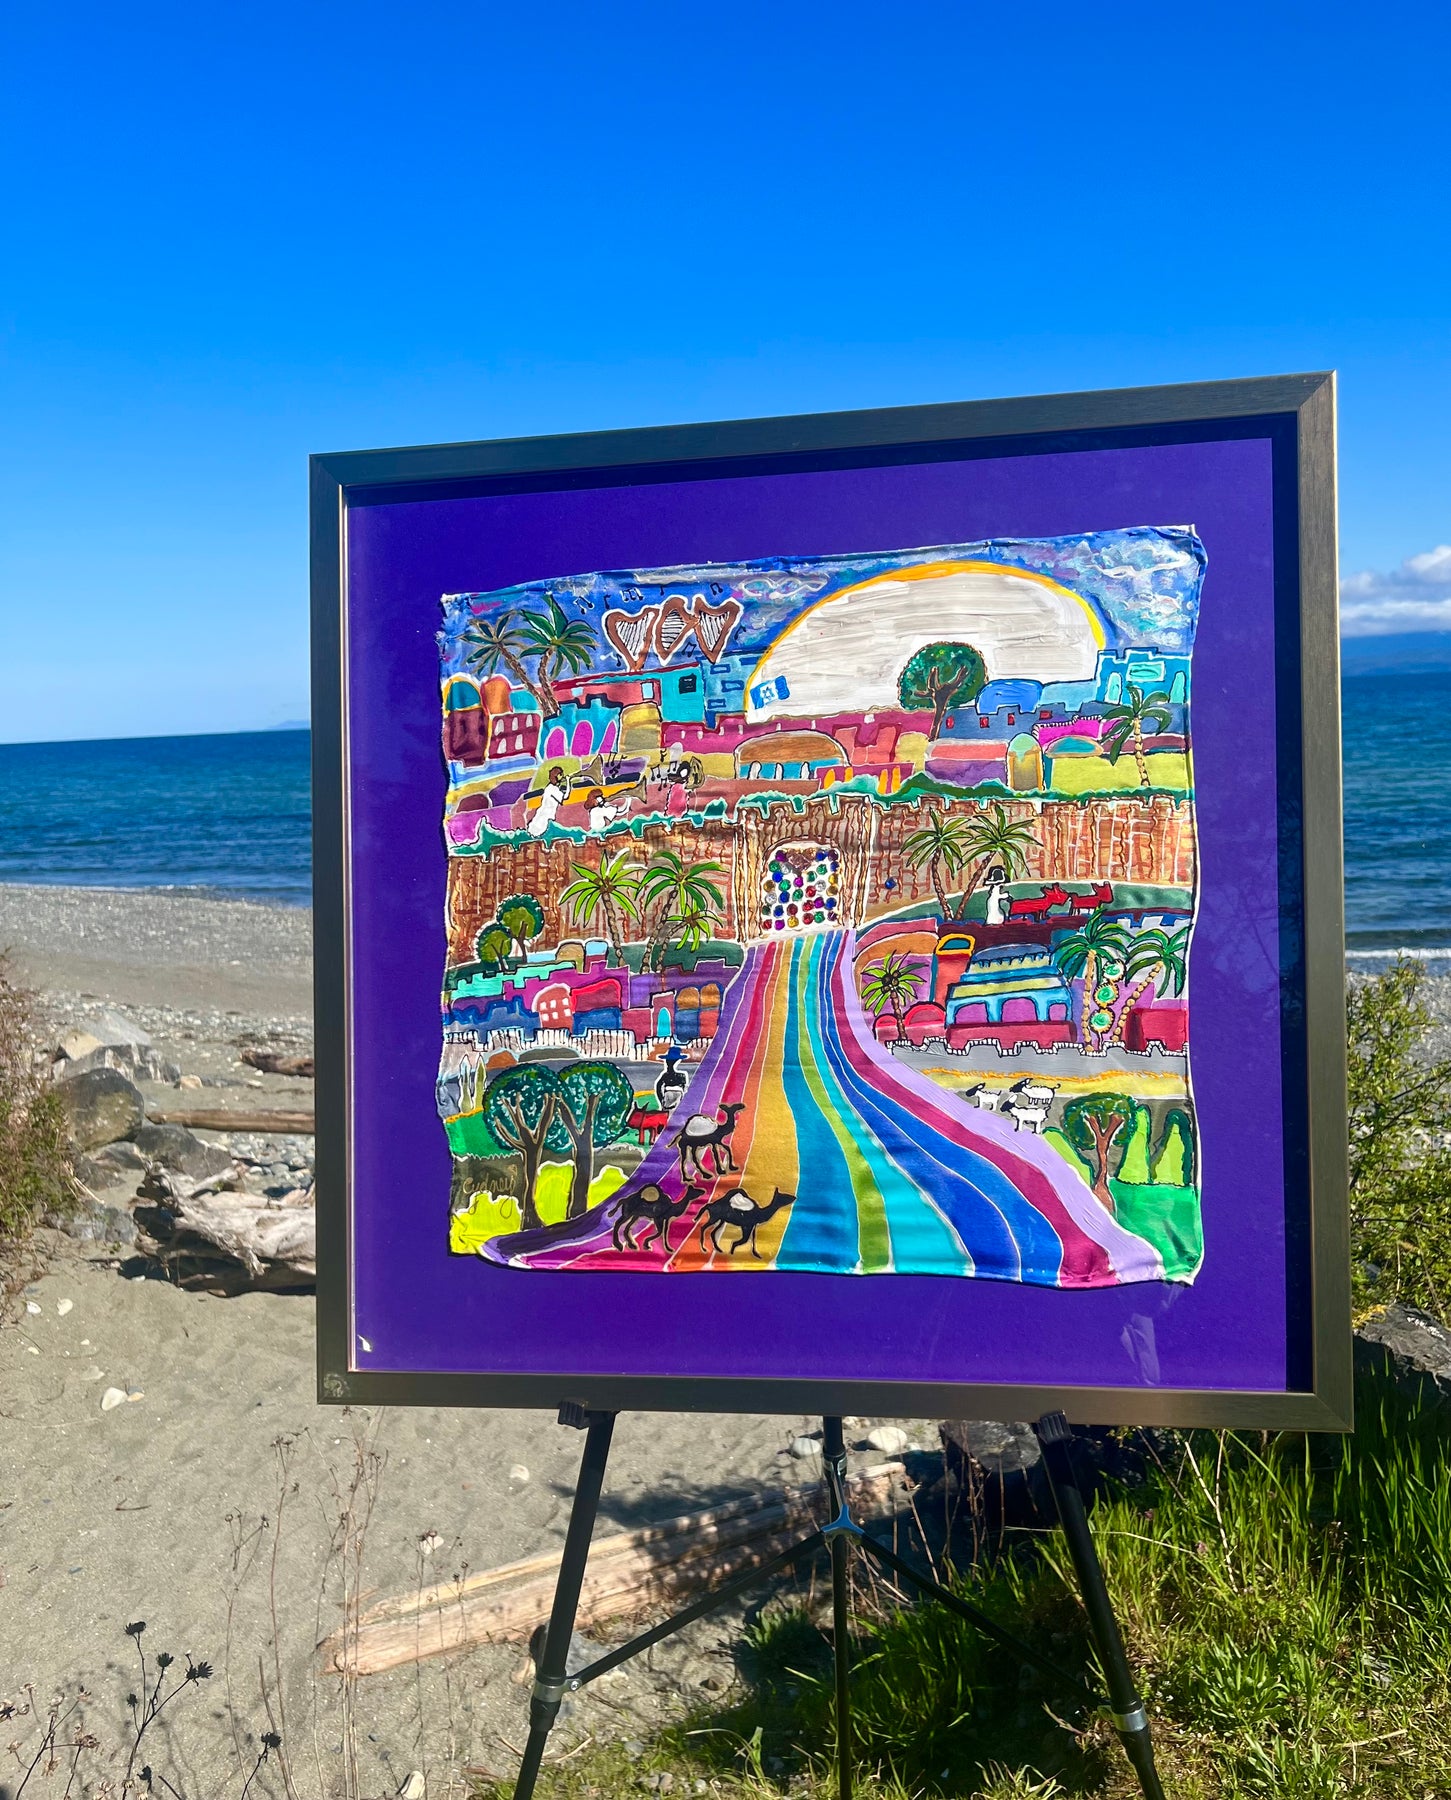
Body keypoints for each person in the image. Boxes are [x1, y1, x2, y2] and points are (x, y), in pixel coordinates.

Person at [527, 766, 569, 838]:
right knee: (537, 833)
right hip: (545, 816)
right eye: (560, 774)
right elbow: (565, 796)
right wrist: (568, 781)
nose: (562, 776)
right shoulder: (553, 789)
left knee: (535, 834)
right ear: (556, 776)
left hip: (544, 815)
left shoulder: (550, 787)